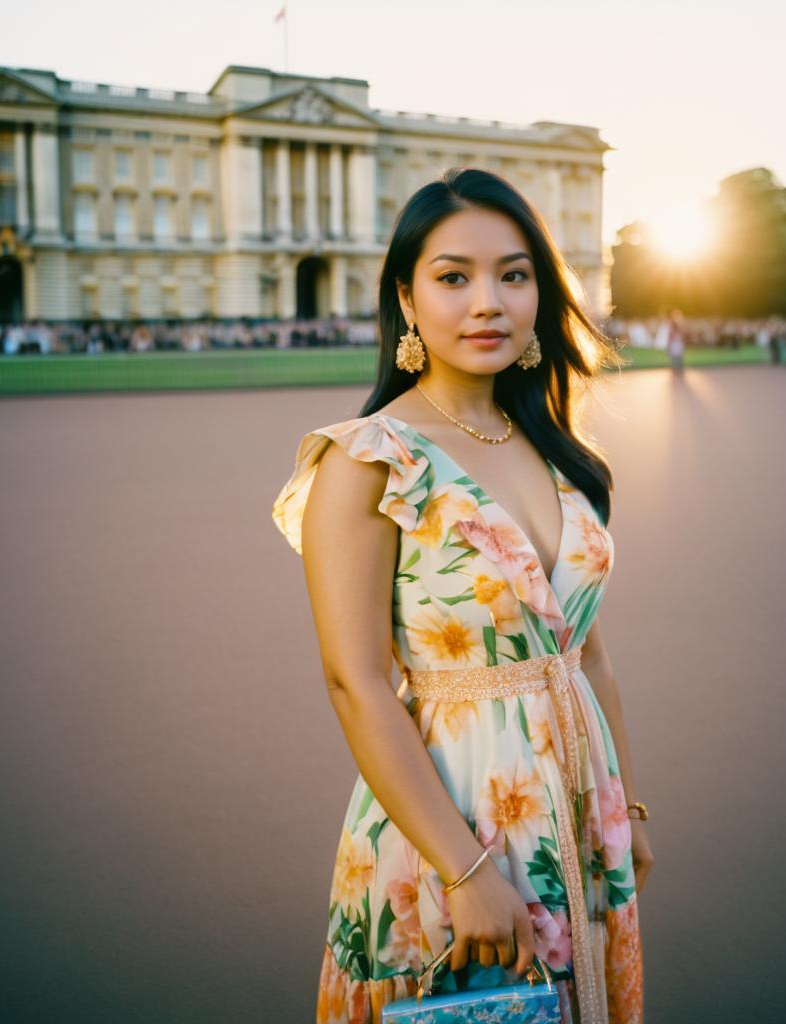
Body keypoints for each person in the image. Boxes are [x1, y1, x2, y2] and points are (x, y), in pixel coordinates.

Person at [271, 168, 651, 1024]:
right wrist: (466, 872)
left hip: (580, 814)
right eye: (453, 277)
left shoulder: (556, 447)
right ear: (407, 298)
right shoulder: (369, 459)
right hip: (449, 826)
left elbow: (585, 650)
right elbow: (356, 682)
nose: (488, 301)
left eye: (514, 275)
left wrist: (626, 810)